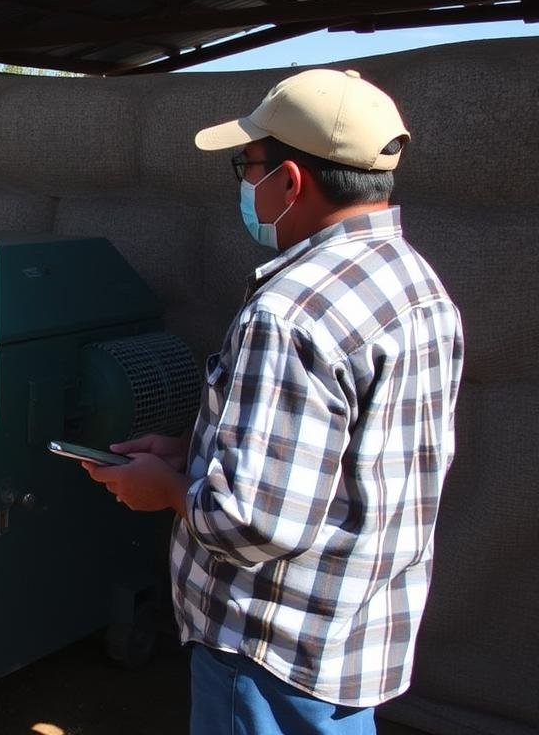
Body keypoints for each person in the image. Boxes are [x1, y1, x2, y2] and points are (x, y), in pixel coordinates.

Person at [83, 69, 463, 734]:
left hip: (266, 653)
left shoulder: (290, 313)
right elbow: (347, 457)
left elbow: (253, 522)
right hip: (353, 634)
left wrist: (167, 490)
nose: (243, 185)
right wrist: (195, 450)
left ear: (289, 182)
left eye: (246, 167)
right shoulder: (418, 285)